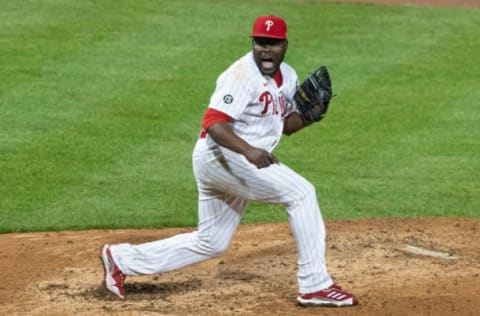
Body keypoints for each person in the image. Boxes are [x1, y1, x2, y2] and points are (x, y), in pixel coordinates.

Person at [101, 15, 358, 307]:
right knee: (302, 193)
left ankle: (120, 260)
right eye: (261, 42)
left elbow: (285, 125)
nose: (266, 50)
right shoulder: (240, 75)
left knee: (212, 241)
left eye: (273, 44)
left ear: (285, 45)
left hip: (234, 161)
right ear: (253, 43)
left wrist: (313, 115)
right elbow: (213, 123)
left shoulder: (288, 76)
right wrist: (249, 151)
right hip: (224, 156)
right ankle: (315, 285)